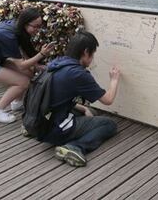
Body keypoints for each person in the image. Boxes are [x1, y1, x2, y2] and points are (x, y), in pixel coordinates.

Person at [40, 30, 120, 167]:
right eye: (93, 54)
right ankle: (75, 147)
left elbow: (59, 98)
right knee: (109, 125)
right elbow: (108, 100)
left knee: (90, 113)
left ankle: (70, 131)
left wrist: (82, 108)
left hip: (41, 122)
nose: (92, 58)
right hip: (55, 129)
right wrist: (114, 80)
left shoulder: (57, 63)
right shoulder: (78, 73)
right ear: (86, 52)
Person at [0, 7, 54, 124]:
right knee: (23, 82)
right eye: (35, 26)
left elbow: (25, 57)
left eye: (39, 26)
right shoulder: (7, 35)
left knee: (29, 72)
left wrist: (39, 66)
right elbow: (21, 65)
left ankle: (17, 103)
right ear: (25, 23)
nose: (37, 30)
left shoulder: (18, 28)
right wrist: (41, 54)